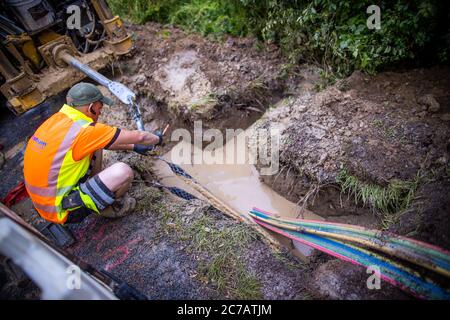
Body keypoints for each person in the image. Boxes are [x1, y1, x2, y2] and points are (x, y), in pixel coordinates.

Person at [23, 82, 162, 225]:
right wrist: (158, 139)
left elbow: (104, 142)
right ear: (91, 108)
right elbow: (141, 136)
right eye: (100, 108)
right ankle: (104, 207)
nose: (100, 113)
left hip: (46, 202)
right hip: (63, 210)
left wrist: (133, 147)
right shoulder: (84, 130)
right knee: (123, 172)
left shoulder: (56, 121)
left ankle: (94, 190)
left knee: (97, 145)